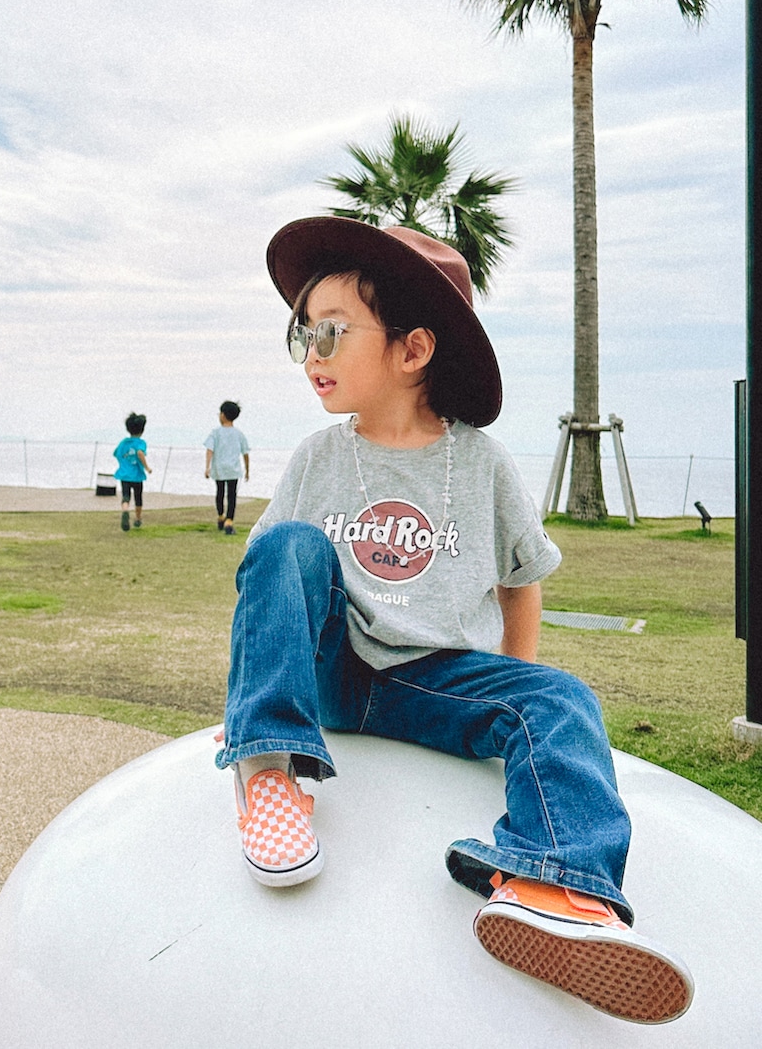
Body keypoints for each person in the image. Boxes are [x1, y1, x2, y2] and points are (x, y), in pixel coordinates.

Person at [215, 216, 693, 1026]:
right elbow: (269, 582)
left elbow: (522, 582)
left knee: (563, 698)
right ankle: (268, 774)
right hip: (336, 669)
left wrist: (522, 679)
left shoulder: (481, 463)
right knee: (286, 547)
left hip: (433, 683)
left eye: (332, 331)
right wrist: (278, 696)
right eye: (303, 334)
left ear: (413, 349)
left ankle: (555, 882)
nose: (313, 353)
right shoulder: (317, 459)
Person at [204, 401, 250, 533]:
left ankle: (220, 516)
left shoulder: (215, 433)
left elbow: (209, 450)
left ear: (223, 415)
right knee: (231, 496)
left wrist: (207, 467)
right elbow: (245, 453)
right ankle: (229, 521)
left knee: (219, 493)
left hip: (219, 469)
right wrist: (247, 470)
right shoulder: (238, 434)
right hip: (233, 470)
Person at [114, 412, 151, 531]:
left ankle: (125, 510)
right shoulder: (140, 443)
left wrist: (124, 463)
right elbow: (140, 453)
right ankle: (138, 519)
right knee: (138, 497)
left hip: (124, 475)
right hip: (137, 475)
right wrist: (147, 467)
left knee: (126, 496)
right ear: (142, 429)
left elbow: (116, 453)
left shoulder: (123, 442)